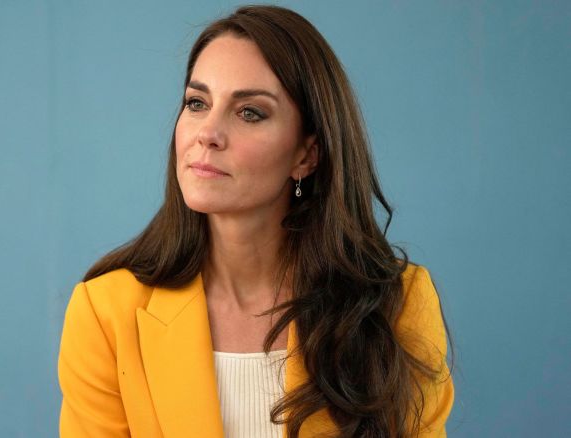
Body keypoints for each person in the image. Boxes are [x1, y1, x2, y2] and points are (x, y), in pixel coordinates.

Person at [58, 5, 454, 438]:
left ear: (307, 155)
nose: (207, 133)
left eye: (249, 112)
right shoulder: (105, 313)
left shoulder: (397, 306)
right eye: (197, 103)